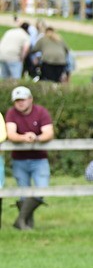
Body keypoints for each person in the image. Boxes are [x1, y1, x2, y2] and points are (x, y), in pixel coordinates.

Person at [5, 86, 54, 229]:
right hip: (19, 160)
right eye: (17, 100)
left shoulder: (41, 112)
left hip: (39, 159)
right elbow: (11, 134)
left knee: (41, 189)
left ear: (30, 99)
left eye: (23, 100)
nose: (20, 103)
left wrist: (36, 138)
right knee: (23, 194)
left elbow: (48, 133)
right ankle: (27, 224)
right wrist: (24, 138)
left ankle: (20, 221)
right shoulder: (11, 113)